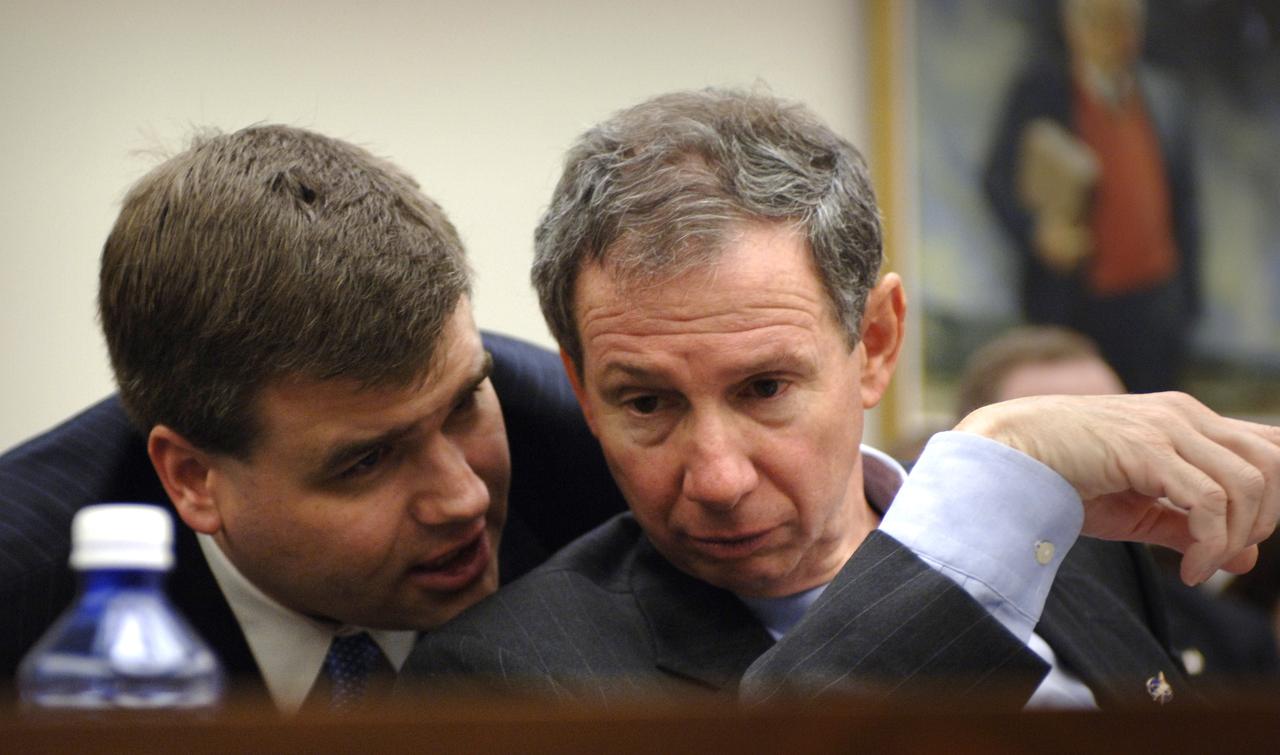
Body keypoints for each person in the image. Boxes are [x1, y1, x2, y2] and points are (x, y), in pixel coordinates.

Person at [402, 88, 1279, 709]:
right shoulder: (504, 676)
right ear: (581, 390)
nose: (715, 477)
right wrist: (995, 477)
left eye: (765, 387)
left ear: (878, 343)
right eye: (645, 404)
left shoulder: (1071, 545)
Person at [0, 125, 624, 711]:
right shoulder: (20, 596)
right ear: (193, 478)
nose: (462, 499)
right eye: (368, 460)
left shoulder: (606, 469)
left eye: (463, 405)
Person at [955, 325, 1280, 697]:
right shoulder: (939, 611)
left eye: (1122, 428)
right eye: (1068, 438)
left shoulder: (1226, 634)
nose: (1107, 465)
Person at [984, 0, 1199, 393]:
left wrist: (1185, 306)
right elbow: (997, 180)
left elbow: (1184, 208)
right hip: (1077, 305)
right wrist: (1038, 233)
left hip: (1153, 309)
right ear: (1074, 28)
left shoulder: (1164, 97)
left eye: (1125, 24)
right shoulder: (1042, 92)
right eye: (1102, 23)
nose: (1115, 36)